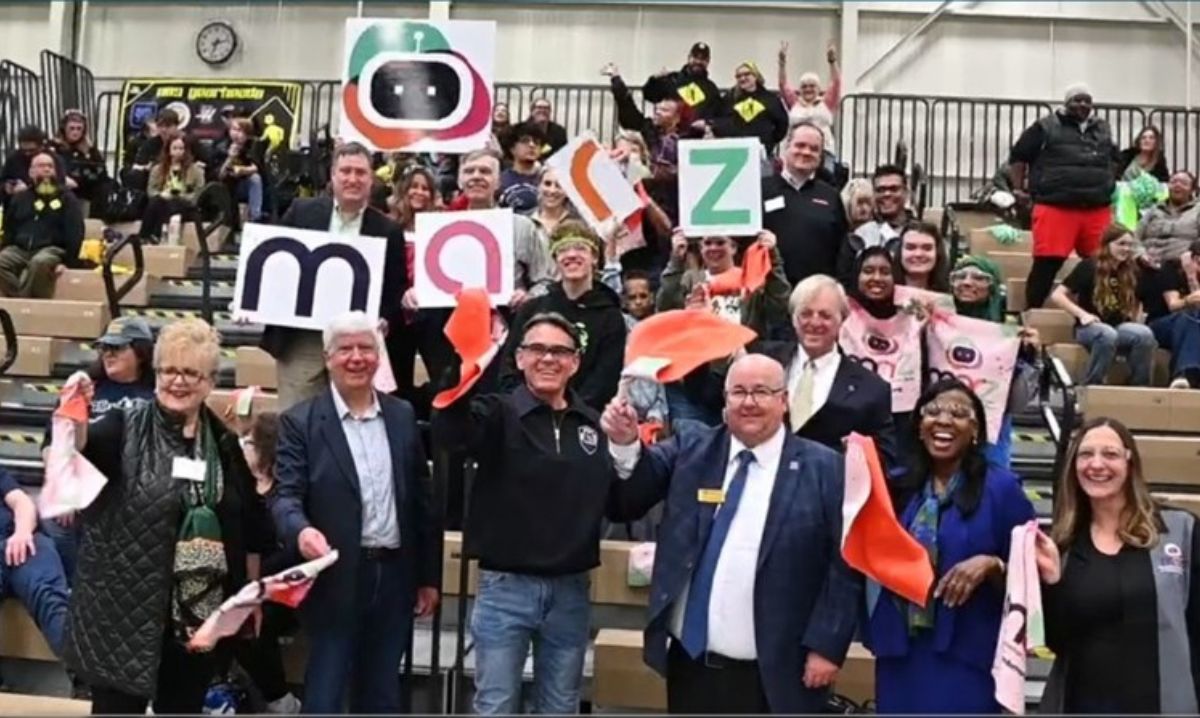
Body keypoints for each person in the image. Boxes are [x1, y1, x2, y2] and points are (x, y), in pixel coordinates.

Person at [600, 353, 863, 714]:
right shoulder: (692, 449)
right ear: (725, 400)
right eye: (738, 391)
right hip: (692, 665)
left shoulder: (825, 467)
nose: (749, 402)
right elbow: (629, 499)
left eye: (762, 391)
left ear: (784, 400)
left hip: (782, 672)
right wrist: (626, 443)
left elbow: (844, 565)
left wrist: (828, 645)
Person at [63, 319, 262, 715]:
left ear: (208, 382)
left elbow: (250, 523)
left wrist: (251, 595)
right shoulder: (126, 426)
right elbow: (80, 452)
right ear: (155, 374)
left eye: (191, 372)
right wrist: (75, 414)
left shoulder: (222, 442)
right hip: (123, 615)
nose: (178, 381)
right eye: (170, 370)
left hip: (193, 616)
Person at [435, 312, 623, 714]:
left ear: (575, 362)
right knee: (497, 705)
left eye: (560, 351)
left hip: (570, 591)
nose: (548, 359)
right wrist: (462, 367)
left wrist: (628, 447)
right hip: (506, 589)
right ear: (519, 358)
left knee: (560, 706)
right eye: (537, 349)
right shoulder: (496, 413)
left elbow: (621, 500)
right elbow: (452, 433)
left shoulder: (592, 423)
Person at [272, 311, 439, 714]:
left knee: (382, 692)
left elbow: (421, 501)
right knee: (326, 690)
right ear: (328, 358)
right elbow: (285, 497)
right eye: (345, 349)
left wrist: (428, 578)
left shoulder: (401, 416)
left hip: (395, 575)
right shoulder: (301, 422)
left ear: (378, 356)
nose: (356, 357)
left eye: (365, 348)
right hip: (334, 575)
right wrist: (301, 532)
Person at [867, 379, 1035, 714]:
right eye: (933, 411)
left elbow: (1031, 573)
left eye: (958, 413)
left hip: (968, 656)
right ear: (918, 426)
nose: (943, 420)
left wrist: (992, 564)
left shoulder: (1003, 490)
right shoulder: (896, 487)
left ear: (975, 430)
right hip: (901, 654)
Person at [1036, 417, 1200, 714]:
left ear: (1130, 462)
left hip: (1163, 705)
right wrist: (1052, 583)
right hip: (1084, 704)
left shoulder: (1180, 529)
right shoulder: (1064, 545)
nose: (1096, 464)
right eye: (1086, 455)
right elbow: (1058, 643)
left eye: (1109, 454)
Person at [258, 142, 407, 411]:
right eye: (346, 171)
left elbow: (395, 289)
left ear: (371, 179)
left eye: (360, 172)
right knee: (296, 419)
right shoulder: (302, 211)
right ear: (333, 176)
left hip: (356, 344)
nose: (352, 179)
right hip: (302, 339)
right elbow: (276, 266)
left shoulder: (388, 230)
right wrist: (256, 302)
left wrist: (385, 318)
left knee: (353, 419)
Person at [39, 317, 156, 582]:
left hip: (131, 490)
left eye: (117, 348)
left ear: (141, 352)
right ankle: (73, 592)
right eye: (104, 348)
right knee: (56, 520)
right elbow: (50, 446)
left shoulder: (156, 393)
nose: (108, 354)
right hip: (84, 491)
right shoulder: (85, 388)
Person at [753, 274, 899, 469]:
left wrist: (855, 454)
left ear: (842, 320)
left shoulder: (872, 389)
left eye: (825, 315)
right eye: (805, 313)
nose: (814, 323)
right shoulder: (762, 361)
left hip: (829, 491)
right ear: (793, 318)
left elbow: (887, 461)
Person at [1010, 84, 1118, 310]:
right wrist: (1018, 188)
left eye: (1087, 100)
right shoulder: (1045, 127)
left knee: (1101, 264)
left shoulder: (1103, 128)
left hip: (1096, 207)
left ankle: (1095, 313)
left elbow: (1114, 158)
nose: (1083, 105)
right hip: (1056, 206)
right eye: (1077, 100)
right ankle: (1033, 312)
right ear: (1066, 103)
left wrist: (1108, 181)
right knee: (1047, 263)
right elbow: (1019, 156)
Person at [499, 221, 626, 412]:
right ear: (555, 258)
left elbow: (605, 380)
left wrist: (567, 412)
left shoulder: (610, 317)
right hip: (526, 417)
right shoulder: (532, 309)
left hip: (581, 419)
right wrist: (529, 408)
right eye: (563, 250)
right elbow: (510, 366)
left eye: (580, 248)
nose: (572, 255)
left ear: (593, 257)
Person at [231, 412, 303, 715]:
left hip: (283, 589)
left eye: (248, 441)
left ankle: (280, 700)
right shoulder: (237, 488)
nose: (242, 446)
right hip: (241, 583)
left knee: (249, 623)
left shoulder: (285, 493)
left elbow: (288, 553)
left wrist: (256, 576)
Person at [948, 255, 1043, 468]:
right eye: (960, 277)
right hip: (942, 420)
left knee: (990, 487)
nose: (967, 283)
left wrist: (1029, 356)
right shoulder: (934, 322)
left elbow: (1018, 401)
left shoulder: (1009, 331)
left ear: (994, 287)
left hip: (992, 427)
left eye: (980, 278)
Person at [1050, 224, 1158, 385]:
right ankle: (1092, 384)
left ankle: (1138, 385)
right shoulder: (1089, 266)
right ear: (1107, 245)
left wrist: (1135, 318)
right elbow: (1057, 295)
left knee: (1144, 334)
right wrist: (1082, 315)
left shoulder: (1131, 270)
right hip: (1088, 328)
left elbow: (1137, 300)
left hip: (1119, 326)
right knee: (1107, 334)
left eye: (1130, 245)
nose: (1126, 249)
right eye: (1121, 244)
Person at [387, 166, 455, 406]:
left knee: (442, 378)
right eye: (414, 187)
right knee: (397, 382)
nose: (419, 192)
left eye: (425, 188)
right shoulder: (388, 227)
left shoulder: (442, 227)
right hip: (398, 317)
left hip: (432, 315)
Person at [657, 228, 789, 337]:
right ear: (700, 248)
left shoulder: (752, 278)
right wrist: (676, 259)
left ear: (733, 248)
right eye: (708, 243)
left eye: (720, 243)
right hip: (703, 358)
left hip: (744, 357)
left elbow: (779, 307)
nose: (713, 248)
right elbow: (665, 307)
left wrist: (772, 256)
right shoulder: (689, 279)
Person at [763, 122, 848, 285]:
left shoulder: (831, 196)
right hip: (768, 293)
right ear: (787, 147)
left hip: (816, 296)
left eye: (814, 149)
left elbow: (841, 247)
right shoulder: (762, 189)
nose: (806, 152)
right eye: (800, 145)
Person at [0, 469, 70, 658]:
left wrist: (22, 532)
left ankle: (87, 678)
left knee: (50, 597)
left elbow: (23, 502)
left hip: (22, 540)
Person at [604, 63, 683, 222]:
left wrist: (653, 170)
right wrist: (616, 80)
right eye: (657, 109)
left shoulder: (683, 141)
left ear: (676, 118)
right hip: (643, 199)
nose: (658, 113)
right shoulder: (649, 130)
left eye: (664, 111)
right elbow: (629, 113)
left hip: (670, 203)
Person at [0, 150, 84, 298]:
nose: (46, 170)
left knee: (40, 262)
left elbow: (75, 232)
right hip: (21, 249)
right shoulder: (20, 198)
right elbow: (9, 228)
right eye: (41, 166)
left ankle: (24, 304)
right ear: (31, 172)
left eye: (50, 166)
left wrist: (69, 263)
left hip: (52, 249)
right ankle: (20, 298)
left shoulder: (68, 199)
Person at [1148, 237, 1200, 388]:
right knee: (1190, 316)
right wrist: (1190, 276)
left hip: (1192, 326)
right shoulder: (1170, 269)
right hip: (1161, 324)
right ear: (1196, 259)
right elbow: (1173, 305)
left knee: (1194, 319)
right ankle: (1185, 373)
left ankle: (1187, 376)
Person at [706, 62, 789, 156]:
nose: (742, 78)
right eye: (738, 76)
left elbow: (782, 124)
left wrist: (770, 141)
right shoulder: (730, 98)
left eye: (746, 74)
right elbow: (719, 119)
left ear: (755, 76)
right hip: (734, 152)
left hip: (761, 153)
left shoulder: (770, 99)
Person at [777, 39, 842, 156]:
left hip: (823, 150)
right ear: (800, 90)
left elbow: (836, 82)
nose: (808, 89)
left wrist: (832, 61)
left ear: (818, 89)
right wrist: (782, 63)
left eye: (812, 86)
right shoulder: (794, 103)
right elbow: (783, 84)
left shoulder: (827, 103)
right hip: (796, 149)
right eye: (804, 86)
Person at [140, 134, 205, 243]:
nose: (178, 152)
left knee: (173, 203)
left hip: (185, 202)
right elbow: (151, 190)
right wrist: (161, 194)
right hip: (163, 199)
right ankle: (145, 236)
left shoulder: (195, 170)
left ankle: (156, 235)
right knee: (156, 202)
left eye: (181, 148)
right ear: (169, 150)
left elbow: (200, 191)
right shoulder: (158, 169)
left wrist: (183, 196)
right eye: (175, 148)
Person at [642, 41, 723, 123]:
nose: (698, 62)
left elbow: (716, 115)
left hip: (696, 133)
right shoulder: (673, 79)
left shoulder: (712, 89)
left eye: (703, 59)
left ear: (708, 61)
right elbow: (648, 95)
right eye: (695, 57)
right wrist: (654, 80)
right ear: (689, 57)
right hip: (669, 131)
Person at [1135, 169, 1199, 266]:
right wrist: (1140, 254)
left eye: (1184, 183)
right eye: (1173, 182)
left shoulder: (1197, 210)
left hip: (1180, 265)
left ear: (1192, 190)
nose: (1177, 185)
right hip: (1146, 263)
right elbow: (1135, 236)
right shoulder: (1154, 209)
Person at [52, 110, 109, 215]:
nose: (75, 132)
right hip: (64, 185)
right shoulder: (54, 147)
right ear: (64, 129)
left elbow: (101, 171)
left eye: (79, 129)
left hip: (85, 186)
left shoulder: (88, 148)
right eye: (72, 128)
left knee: (104, 186)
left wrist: (91, 150)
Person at [216, 117, 265, 223]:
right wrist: (230, 158)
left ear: (247, 134)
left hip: (244, 185)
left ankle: (255, 218)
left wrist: (241, 170)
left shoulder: (253, 145)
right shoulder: (221, 146)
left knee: (255, 178)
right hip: (226, 185)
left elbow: (256, 167)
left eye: (239, 130)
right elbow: (220, 175)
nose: (235, 134)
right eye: (233, 129)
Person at [499, 121, 544, 215]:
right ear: (512, 148)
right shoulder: (500, 181)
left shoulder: (548, 180)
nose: (532, 145)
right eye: (524, 141)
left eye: (536, 142)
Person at [530, 167, 574, 256]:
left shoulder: (579, 223)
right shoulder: (525, 221)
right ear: (538, 186)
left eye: (559, 186)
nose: (552, 190)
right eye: (547, 184)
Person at [896, 222, 950, 292]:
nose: (918, 254)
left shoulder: (951, 295)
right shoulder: (883, 294)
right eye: (910, 248)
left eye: (927, 248)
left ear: (937, 252)